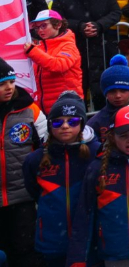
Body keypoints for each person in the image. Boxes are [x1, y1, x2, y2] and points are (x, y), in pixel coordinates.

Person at [68, 104, 129, 267]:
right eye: (123, 135)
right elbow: (85, 213)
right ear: (113, 136)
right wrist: (78, 256)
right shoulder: (97, 168)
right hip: (113, 251)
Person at [23, 91, 97, 267]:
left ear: (82, 124)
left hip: (90, 239)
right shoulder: (35, 159)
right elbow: (33, 190)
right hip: (52, 239)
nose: (65, 126)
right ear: (49, 126)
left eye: (72, 121)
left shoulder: (96, 152)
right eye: (58, 122)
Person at [0, 58, 45, 267]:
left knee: (24, 251)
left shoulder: (30, 110)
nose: (8, 87)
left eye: (10, 81)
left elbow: (46, 147)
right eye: (2, 84)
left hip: (23, 197)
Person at [23, 9, 83, 112]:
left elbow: (58, 65)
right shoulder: (40, 47)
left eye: (44, 25)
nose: (40, 30)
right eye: (37, 27)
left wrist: (33, 51)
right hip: (46, 107)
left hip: (67, 105)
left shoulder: (68, 45)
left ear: (58, 25)